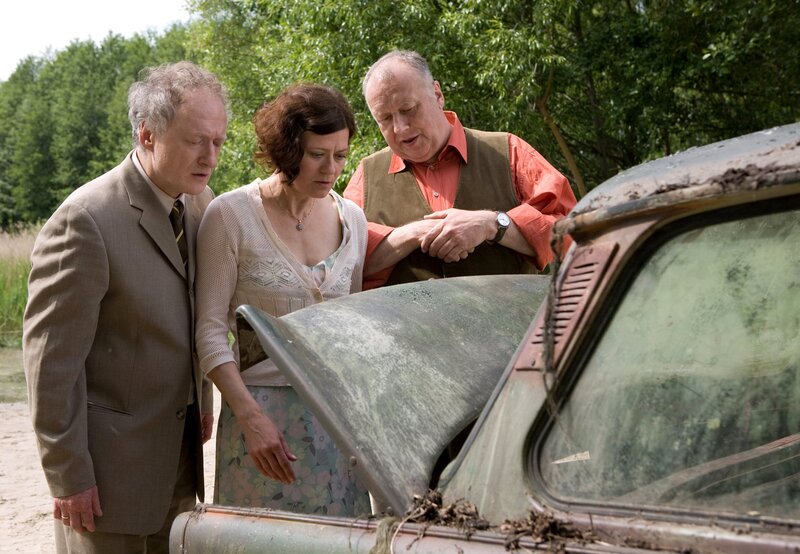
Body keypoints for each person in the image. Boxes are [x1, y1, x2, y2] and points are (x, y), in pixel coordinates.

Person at [23, 61, 228, 554]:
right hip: (105, 481)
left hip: (180, 463)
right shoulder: (85, 220)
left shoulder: (200, 203)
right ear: (148, 134)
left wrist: (201, 394)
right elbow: (51, 365)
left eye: (219, 142)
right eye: (195, 141)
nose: (210, 157)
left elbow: (194, 309)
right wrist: (68, 475)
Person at [195, 83, 371, 516]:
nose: (331, 168)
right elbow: (209, 332)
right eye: (317, 154)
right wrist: (250, 418)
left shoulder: (354, 219)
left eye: (341, 155)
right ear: (287, 149)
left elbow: (354, 329)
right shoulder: (230, 215)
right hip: (259, 420)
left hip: (336, 420)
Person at [344, 50, 578, 289]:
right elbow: (338, 264)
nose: (400, 128)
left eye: (408, 109)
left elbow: (575, 233)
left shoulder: (509, 151)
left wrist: (492, 224)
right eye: (385, 119)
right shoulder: (366, 177)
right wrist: (412, 234)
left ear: (437, 94)